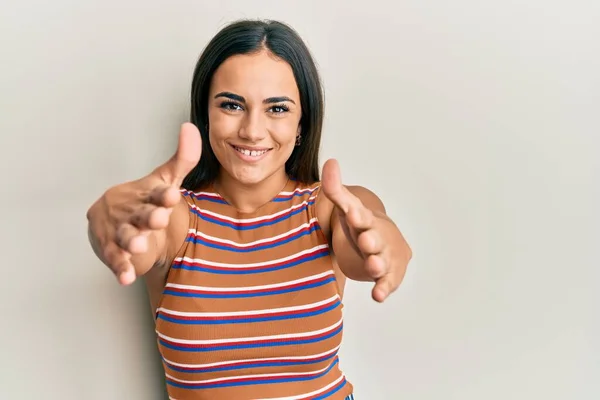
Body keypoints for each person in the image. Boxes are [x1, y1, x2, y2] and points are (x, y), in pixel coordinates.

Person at [86, 18, 412, 400]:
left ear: (301, 124)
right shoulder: (174, 216)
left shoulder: (330, 207)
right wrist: (108, 221)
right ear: (205, 112)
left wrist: (382, 242)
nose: (252, 130)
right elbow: (136, 242)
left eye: (277, 109)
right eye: (231, 105)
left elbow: (362, 241)